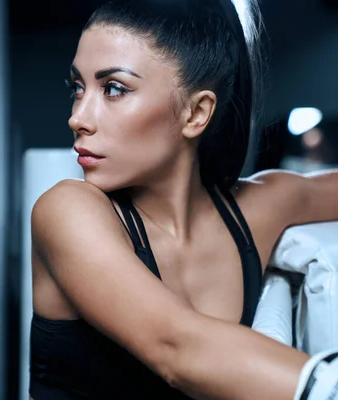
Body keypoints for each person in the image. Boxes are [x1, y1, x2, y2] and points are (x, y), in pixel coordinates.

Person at [28, 0, 338, 399]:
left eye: (114, 89)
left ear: (196, 113)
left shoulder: (256, 210)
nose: (78, 117)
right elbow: (176, 347)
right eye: (78, 88)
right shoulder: (67, 211)